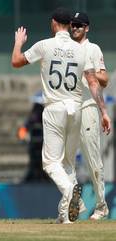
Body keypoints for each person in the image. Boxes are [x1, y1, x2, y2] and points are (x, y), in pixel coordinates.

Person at [11, 7, 111, 224]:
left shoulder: (46, 45)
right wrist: (105, 111)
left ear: (54, 23)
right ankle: (65, 215)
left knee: (50, 162)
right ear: (69, 25)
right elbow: (94, 82)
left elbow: (16, 61)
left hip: (56, 107)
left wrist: (19, 42)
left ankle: (74, 193)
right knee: (67, 163)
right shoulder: (80, 50)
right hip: (75, 108)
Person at [71, 12, 110, 220]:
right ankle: (73, 202)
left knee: (92, 159)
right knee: (60, 159)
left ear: (87, 28)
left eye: (79, 25)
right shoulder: (66, 47)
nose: (75, 28)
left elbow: (105, 78)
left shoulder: (92, 49)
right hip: (67, 108)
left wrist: (90, 73)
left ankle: (101, 205)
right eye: (73, 25)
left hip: (87, 107)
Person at [19, 91, 49, 182]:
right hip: (34, 146)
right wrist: (24, 137)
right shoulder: (32, 117)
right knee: (34, 163)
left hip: (44, 146)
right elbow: (23, 130)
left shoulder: (47, 117)